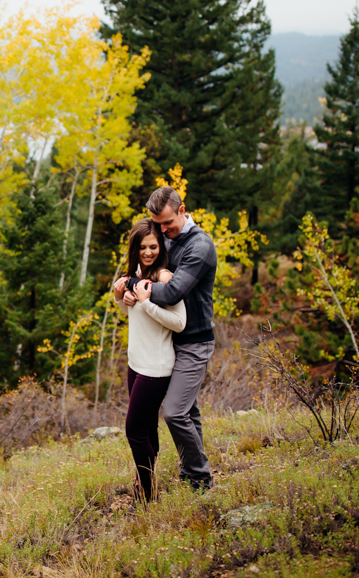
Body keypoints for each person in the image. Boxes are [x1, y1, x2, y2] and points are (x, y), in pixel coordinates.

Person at [122, 186, 217, 491]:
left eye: (167, 223)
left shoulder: (199, 246)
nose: (163, 231)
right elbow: (147, 258)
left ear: (182, 209)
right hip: (170, 339)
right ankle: (191, 472)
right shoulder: (166, 236)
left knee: (175, 411)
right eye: (158, 224)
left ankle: (200, 478)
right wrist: (124, 286)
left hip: (194, 341)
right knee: (188, 410)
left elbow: (174, 291)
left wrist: (135, 285)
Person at [113, 218, 186, 502]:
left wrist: (146, 302)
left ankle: (146, 492)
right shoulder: (136, 274)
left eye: (153, 246)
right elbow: (134, 319)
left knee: (134, 431)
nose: (148, 252)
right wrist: (122, 299)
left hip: (156, 367)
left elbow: (179, 322)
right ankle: (147, 481)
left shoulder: (165, 277)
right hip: (136, 364)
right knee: (147, 428)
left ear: (161, 246)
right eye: (142, 247)